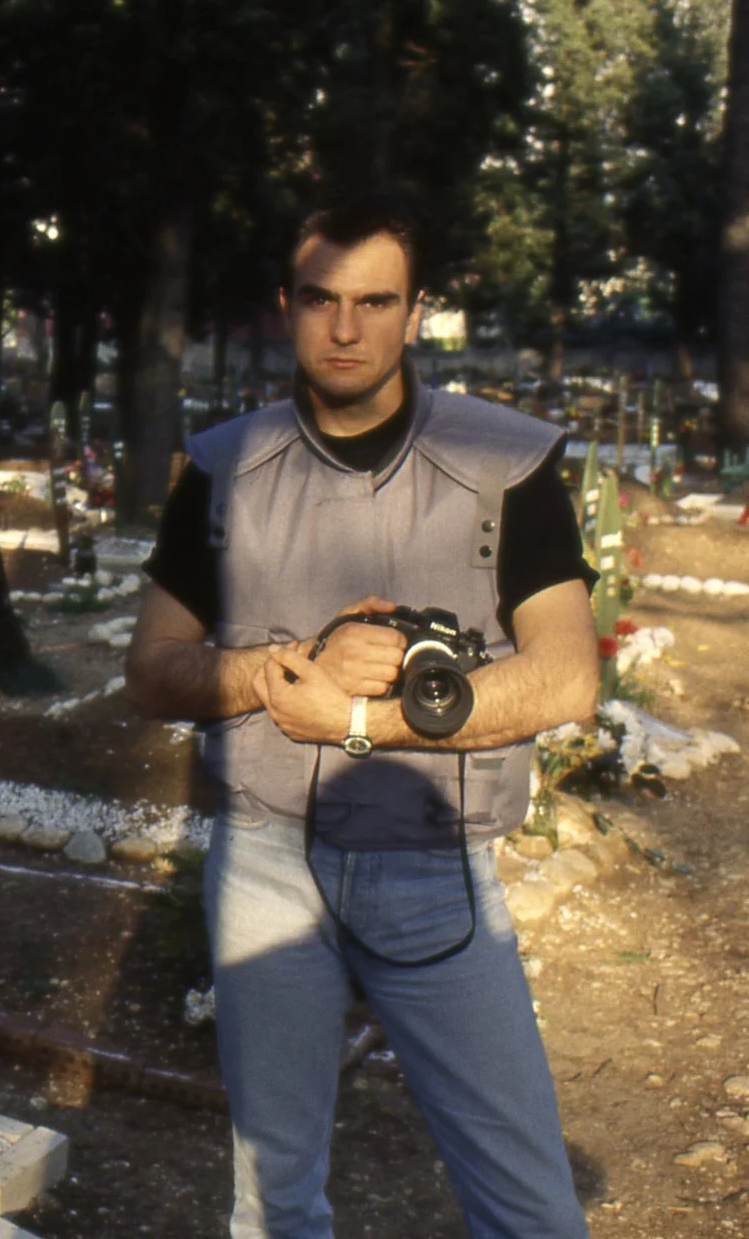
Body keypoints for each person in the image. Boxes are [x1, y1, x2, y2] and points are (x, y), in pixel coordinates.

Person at [125, 198, 600, 1239]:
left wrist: (363, 723)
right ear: (284, 308)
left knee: (530, 1210)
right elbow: (152, 671)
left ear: (415, 311)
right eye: (321, 300)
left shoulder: (502, 463)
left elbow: (567, 679)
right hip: (264, 859)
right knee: (273, 1199)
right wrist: (276, 671)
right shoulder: (219, 469)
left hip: (430, 861)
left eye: (375, 301)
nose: (346, 330)